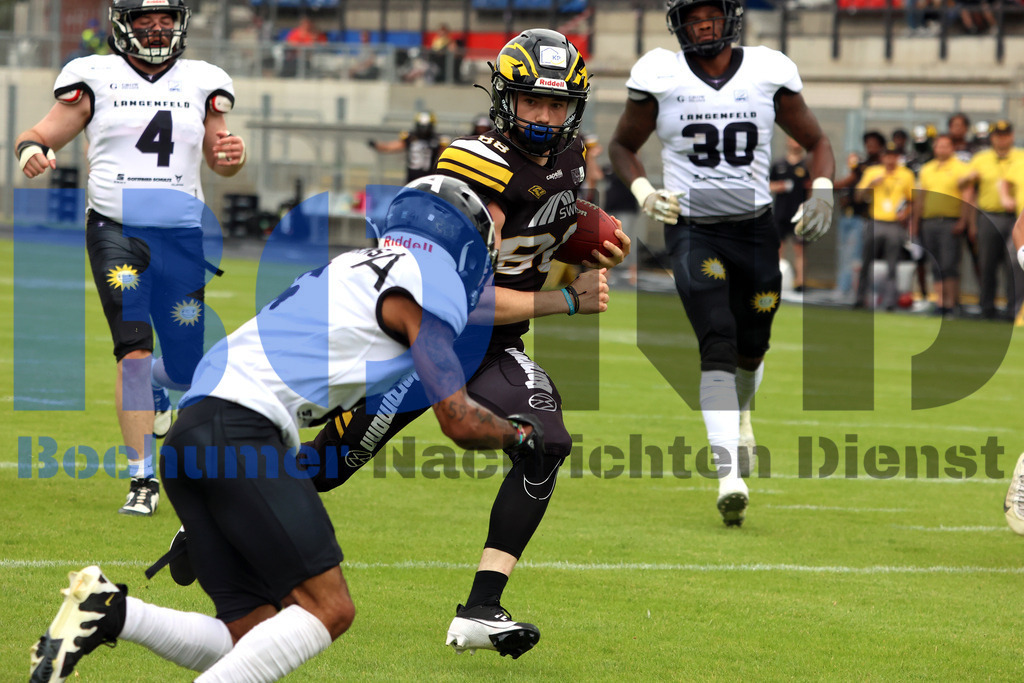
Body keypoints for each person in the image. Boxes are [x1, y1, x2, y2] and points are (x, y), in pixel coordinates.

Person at [29, 175, 547, 683]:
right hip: (242, 431)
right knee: (331, 608)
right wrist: (519, 435)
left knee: (252, 636)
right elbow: (457, 419)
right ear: (463, 248)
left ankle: (111, 612)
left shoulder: (350, 265)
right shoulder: (430, 282)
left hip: (195, 431)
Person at [293, 29, 623, 658]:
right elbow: (461, 299)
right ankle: (209, 526)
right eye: (532, 102)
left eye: (557, 105)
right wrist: (567, 298)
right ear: (505, 98)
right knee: (327, 468)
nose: (545, 117)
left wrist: (579, 251)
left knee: (546, 443)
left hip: (493, 347)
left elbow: (538, 236)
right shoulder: (479, 165)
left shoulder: (571, 156)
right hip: (428, 341)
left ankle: (481, 608)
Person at [608, 0, 835, 526]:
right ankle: (728, 472)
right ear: (678, 22)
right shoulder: (658, 74)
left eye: (710, 13)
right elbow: (622, 146)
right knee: (717, 336)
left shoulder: (768, 70)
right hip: (693, 230)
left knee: (752, 349)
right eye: (692, 15)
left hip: (755, 232)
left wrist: (822, 190)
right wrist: (643, 191)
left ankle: (745, 413)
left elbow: (818, 140)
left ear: (731, 16)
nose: (702, 24)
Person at [15, 0, 245, 516]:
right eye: (147, 21)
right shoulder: (93, 76)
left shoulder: (203, 80)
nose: (158, 29)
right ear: (125, 25)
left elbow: (219, 155)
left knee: (185, 365)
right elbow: (39, 133)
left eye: (166, 21)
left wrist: (232, 156)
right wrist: (31, 151)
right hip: (117, 231)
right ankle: (142, 476)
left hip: (184, 233)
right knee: (134, 352)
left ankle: (162, 393)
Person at [960, 119, 1024, 320]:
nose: (1001, 139)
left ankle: (1014, 309)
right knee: (987, 262)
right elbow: (966, 188)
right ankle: (986, 307)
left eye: (1005, 135)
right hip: (989, 215)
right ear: (992, 137)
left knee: (1015, 264)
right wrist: (971, 222)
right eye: (997, 135)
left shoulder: (1021, 157)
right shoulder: (981, 158)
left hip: (1015, 218)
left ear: (1012, 137)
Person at [854, 143, 915, 310]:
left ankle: (889, 301)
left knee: (892, 263)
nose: (890, 159)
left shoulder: (905, 174)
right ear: (882, 157)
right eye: (887, 155)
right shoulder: (872, 172)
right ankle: (860, 298)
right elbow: (859, 196)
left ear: (897, 157)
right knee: (866, 261)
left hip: (894, 223)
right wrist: (871, 184)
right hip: (876, 220)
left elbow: (912, 199)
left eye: (893, 155)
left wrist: (906, 213)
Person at [914, 133, 969, 317]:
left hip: (950, 222)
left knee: (949, 264)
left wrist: (963, 220)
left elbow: (967, 196)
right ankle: (939, 302)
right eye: (938, 146)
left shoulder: (961, 168)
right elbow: (920, 198)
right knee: (935, 264)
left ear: (952, 148)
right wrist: (916, 222)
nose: (942, 149)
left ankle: (951, 303)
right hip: (929, 222)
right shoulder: (927, 169)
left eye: (946, 145)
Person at [834, 131, 885, 302]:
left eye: (874, 144)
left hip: (864, 216)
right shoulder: (861, 164)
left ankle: (853, 291)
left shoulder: (879, 167)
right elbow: (850, 180)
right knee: (846, 253)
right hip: (848, 214)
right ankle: (844, 288)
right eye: (868, 143)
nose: (870, 147)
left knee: (856, 256)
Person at [770, 137, 810, 292]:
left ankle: (800, 282)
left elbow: (811, 187)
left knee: (799, 248)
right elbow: (769, 184)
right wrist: (777, 186)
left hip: (799, 213)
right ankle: (778, 280)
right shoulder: (778, 164)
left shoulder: (806, 165)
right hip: (780, 212)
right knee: (779, 247)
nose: (795, 143)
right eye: (792, 140)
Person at [368, 111, 446, 183]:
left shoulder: (437, 140)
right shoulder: (410, 137)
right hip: (411, 181)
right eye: (421, 126)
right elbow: (390, 147)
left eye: (426, 126)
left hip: (429, 181)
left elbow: (446, 156)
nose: (423, 129)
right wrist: (377, 145)